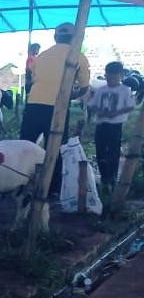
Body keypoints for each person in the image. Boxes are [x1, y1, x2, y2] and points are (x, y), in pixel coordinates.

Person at [20, 23, 91, 197]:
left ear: (55, 37)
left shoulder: (42, 56)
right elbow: (84, 87)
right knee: (56, 148)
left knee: (26, 144)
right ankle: (52, 188)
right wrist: (70, 96)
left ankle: (19, 184)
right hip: (57, 107)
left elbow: (33, 80)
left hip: (33, 104)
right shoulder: (78, 56)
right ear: (75, 38)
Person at [88, 61, 135, 193]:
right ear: (105, 76)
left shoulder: (125, 90)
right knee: (100, 151)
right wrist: (98, 111)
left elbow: (130, 106)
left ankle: (112, 177)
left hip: (115, 126)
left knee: (113, 152)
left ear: (121, 76)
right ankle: (104, 178)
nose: (111, 80)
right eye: (108, 77)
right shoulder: (101, 90)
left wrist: (117, 112)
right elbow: (92, 104)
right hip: (101, 124)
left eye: (114, 78)